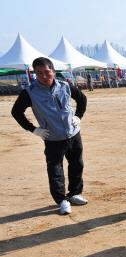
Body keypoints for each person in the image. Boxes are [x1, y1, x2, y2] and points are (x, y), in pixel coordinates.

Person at [11, 57, 88, 215]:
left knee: (76, 164)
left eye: (47, 72)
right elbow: (16, 112)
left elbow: (82, 99)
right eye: (39, 73)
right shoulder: (30, 92)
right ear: (34, 74)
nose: (44, 76)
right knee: (55, 170)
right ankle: (62, 200)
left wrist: (78, 116)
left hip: (73, 134)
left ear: (53, 71)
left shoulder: (65, 86)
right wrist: (33, 129)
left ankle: (74, 193)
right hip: (53, 138)